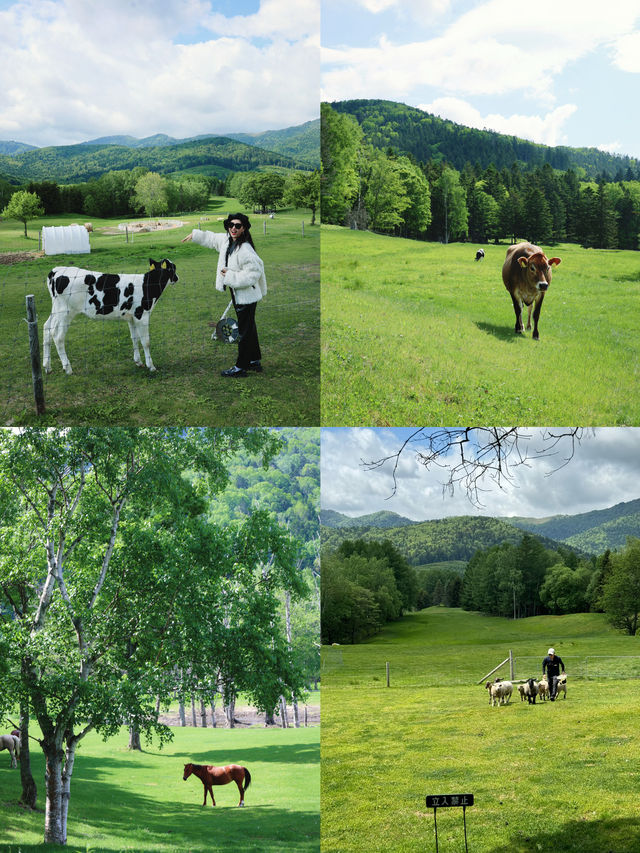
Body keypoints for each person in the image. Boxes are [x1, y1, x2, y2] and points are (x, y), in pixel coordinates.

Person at [182, 212, 267, 376]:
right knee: (249, 327)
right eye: (231, 225)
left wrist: (229, 276)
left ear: (243, 229)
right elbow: (212, 239)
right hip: (240, 294)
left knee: (244, 330)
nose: (233, 228)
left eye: (237, 226)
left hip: (247, 296)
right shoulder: (228, 241)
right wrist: (195, 235)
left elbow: (254, 272)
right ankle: (254, 360)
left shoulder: (245, 249)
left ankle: (241, 367)